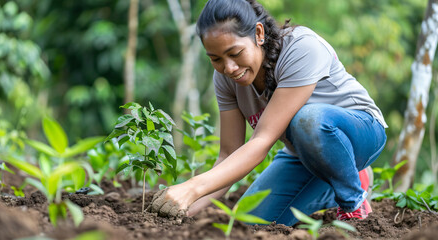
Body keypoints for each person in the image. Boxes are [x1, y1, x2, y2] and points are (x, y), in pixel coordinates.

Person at [149, 0, 387, 226]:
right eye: (216, 59)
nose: (229, 68)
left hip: (361, 133)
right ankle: (340, 184)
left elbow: (261, 141)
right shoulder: (225, 77)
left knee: (309, 120)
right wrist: (181, 208)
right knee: (246, 222)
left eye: (235, 53)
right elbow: (228, 154)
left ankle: (353, 199)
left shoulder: (302, 48)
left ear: (259, 34)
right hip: (302, 156)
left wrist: (191, 187)